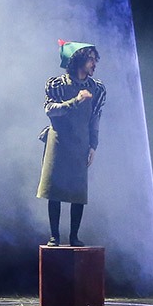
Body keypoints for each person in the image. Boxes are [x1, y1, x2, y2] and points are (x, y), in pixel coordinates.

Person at [36, 41, 106, 247]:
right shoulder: (57, 85)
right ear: (78, 60)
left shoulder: (96, 88)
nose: (94, 64)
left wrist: (93, 145)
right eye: (90, 59)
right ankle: (54, 236)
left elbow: (95, 118)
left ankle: (74, 236)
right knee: (55, 189)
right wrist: (75, 101)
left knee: (78, 191)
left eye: (95, 59)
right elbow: (50, 110)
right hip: (58, 141)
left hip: (80, 142)